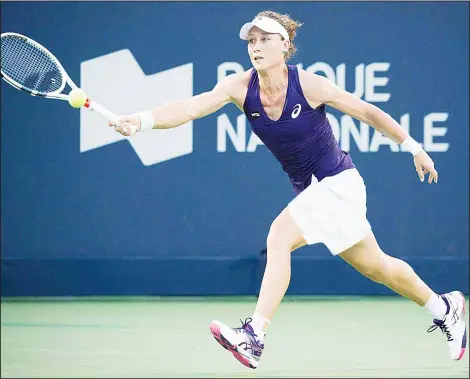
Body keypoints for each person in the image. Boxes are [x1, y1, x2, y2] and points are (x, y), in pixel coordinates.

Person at [109, 10, 467, 369]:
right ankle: (445, 307)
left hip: (339, 184)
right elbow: (188, 108)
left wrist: (415, 148)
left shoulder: (309, 84)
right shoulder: (239, 87)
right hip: (314, 194)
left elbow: (367, 113)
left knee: (279, 237)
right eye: (252, 40)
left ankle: (254, 335)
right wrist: (140, 121)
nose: (257, 46)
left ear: (285, 45)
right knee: (377, 266)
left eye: (265, 39)